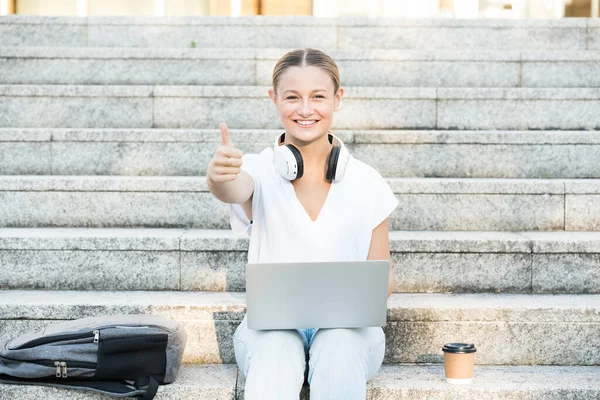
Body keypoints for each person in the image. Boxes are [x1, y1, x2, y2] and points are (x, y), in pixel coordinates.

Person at [206, 48, 399, 400]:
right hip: (271, 331)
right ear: (274, 99)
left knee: (339, 346)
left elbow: (382, 277)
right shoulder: (258, 168)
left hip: (350, 330)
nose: (306, 110)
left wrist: (346, 301)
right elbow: (232, 188)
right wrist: (217, 176)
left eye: (318, 97)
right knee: (277, 350)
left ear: (337, 99)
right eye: (292, 97)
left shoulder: (367, 181)